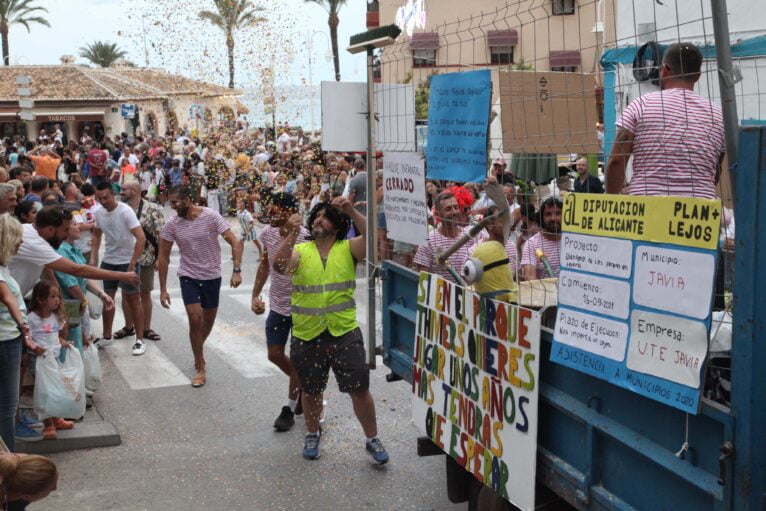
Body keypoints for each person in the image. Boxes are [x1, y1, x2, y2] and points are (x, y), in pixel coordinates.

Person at [273, 197, 389, 464]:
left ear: (336, 225)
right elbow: (280, 266)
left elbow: (374, 241)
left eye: (325, 217)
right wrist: (291, 233)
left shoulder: (347, 247)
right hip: (307, 332)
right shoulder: (301, 250)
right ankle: (312, 433)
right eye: (316, 216)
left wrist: (351, 210)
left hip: (344, 331)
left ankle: (372, 438)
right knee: (311, 390)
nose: (318, 220)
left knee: (359, 389)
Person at [606, 42, 725, 198]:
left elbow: (617, 160)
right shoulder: (718, 115)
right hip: (699, 211)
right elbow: (715, 169)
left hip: (647, 208)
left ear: (665, 70)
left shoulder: (641, 105)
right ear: (697, 76)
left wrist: (611, 199)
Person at [158, 186, 243, 388]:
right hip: (188, 275)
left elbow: (234, 241)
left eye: (176, 202)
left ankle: (197, 346)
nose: (173, 206)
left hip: (212, 276)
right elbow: (163, 256)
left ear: (188, 199)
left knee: (208, 320)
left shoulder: (211, 216)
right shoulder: (172, 224)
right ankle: (201, 366)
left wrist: (237, 270)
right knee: (195, 317)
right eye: (171, 203)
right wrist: (162, 289)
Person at [251, 192, 309, 431]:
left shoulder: (306, 237)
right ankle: (305, 386)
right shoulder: (268, 234)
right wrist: (255, 294)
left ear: (288, 212)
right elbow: (265, 264)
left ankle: (289, 408)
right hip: (277, 305)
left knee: (297, 357)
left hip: (302, 307)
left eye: (274, 210)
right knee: (274, 354)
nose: (269, 214)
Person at [9, 206, 140, 298]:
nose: (67, 235)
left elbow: (47, 269)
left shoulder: (33, 233)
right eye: (65, 230)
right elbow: (77, 270)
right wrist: (122, 276)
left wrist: (58, 298)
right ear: (50, 229)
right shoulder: (34, 242)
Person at [0, 216, 45, 451]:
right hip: (6, 342)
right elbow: (8, 298)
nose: (20, 244)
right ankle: (8, 462)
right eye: (17, 239)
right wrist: (24, 328)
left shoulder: (4, 265)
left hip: (10, 339)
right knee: (7, 407)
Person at [90, 183, 147, 356]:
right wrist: (94, 255)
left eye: (106, 197)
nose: (103, 201)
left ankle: (139, 339)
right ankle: (107, 336)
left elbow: (141, 238)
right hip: (109, 260)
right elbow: (97, 233)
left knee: (133, 300)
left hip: (126, 261)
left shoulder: (125, 211)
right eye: (99, 198)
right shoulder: (98, 212)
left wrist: (132, 263)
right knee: (107, 299)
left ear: (113, 195)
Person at [26, 281, 75, 440]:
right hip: (39, 361)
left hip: (54, 360)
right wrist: (34, 348)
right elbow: (27, 338)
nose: (57, 300)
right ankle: (48, 425)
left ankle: (57, 419)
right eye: (52, 297)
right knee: (45, 391)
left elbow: (57, 336)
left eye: (58, 297)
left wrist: (64, 342)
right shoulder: (31, 318)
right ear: (40, 300)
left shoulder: (55, 317)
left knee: (56, 389)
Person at [119, 182, 164, 341]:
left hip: (146, 257)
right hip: (125, 257)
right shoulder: (120, 208)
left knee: (145, 293)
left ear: (135, 190)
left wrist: (159, 258)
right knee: (126, 293)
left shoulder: (153, 208)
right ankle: (129, 326)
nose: (121, 191)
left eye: (124, 189)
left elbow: (161, 236)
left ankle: (146, 328)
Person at [414, 192, 477, 284]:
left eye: (456, 207)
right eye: (448, 209)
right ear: (438, 214)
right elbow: (423, 278)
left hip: (467, 296)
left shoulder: (469, 236)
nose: (454, 212)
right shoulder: (429, 241)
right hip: (440, 296)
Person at [520, 196, 562, 281]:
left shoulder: (572, 241)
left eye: (557, 213)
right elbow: (531, 280)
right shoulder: (531, 244)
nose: (553, 218)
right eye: (548, 214)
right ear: (541, 217)